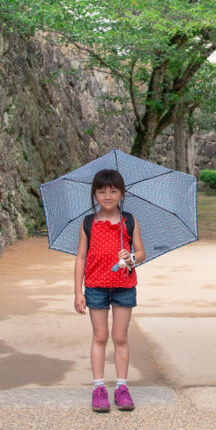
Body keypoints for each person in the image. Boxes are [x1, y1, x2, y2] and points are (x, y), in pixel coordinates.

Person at [74, 168, 145, 413]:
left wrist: (130, 258)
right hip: (95, 286)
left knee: (120, 337)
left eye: (113, 191)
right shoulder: (88, 223)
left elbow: (141, 253)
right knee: (100, 336)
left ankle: (122, 388)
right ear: (94, 194)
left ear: (121, 193)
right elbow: (81, 257)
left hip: (124, 285)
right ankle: (98, 388)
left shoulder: (129, 220)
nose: (107, 196)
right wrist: (78, 291)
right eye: (102, 191)